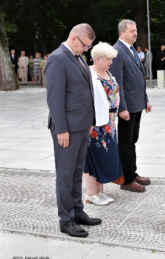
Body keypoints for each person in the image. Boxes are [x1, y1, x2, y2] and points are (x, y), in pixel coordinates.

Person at [45, 23, 102, 238]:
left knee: (77, 171)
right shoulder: (58, 58)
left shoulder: (77, 57)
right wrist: (61, 129)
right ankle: (66, 219)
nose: (86, 50)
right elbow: (54, 98)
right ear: (74, 38)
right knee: (65, 174)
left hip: (81, 126)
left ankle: (78, 211)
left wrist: (89, 121)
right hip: (67, 129)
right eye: (86, 46)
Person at [110, 19, 152, 193]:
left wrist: (145, 100)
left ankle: (132, 172)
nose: (135, 33)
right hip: (127, 107)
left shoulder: (131, 49)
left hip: (137, 104)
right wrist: (122, 108)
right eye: (132, 31)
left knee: (132, 140)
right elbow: (117, 83)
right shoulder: (117, 51)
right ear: (122, 33)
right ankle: (126, 179)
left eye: (136, 30)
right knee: (125, 143)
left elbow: (138, 78)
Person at [84, 42, 123, 206]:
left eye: (111, 59)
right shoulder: (89, 74)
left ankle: (100, 192)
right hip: (96, 124)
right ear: (97, 58)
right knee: (93, 157)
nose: (110, 62)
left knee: (104, 156)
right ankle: (91, 193)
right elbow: (86, 100)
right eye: (108, 59)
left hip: (109, 123)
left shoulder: (108, 73)